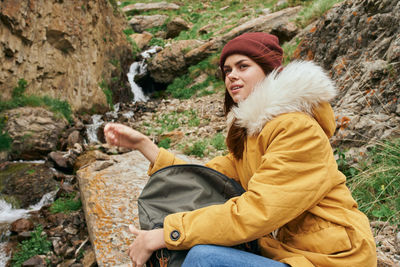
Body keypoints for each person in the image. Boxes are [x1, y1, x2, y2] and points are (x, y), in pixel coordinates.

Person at [104, 32, 377, 267]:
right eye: (227, 70)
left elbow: (258, 210)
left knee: (203, 258)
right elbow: (206, 177)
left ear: (269, 71)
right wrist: (144, 145)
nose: (232, 75)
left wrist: (168, 234)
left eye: (242, 66)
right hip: (291, 254)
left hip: (330, 259)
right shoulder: (254, 135)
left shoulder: (296, 130)